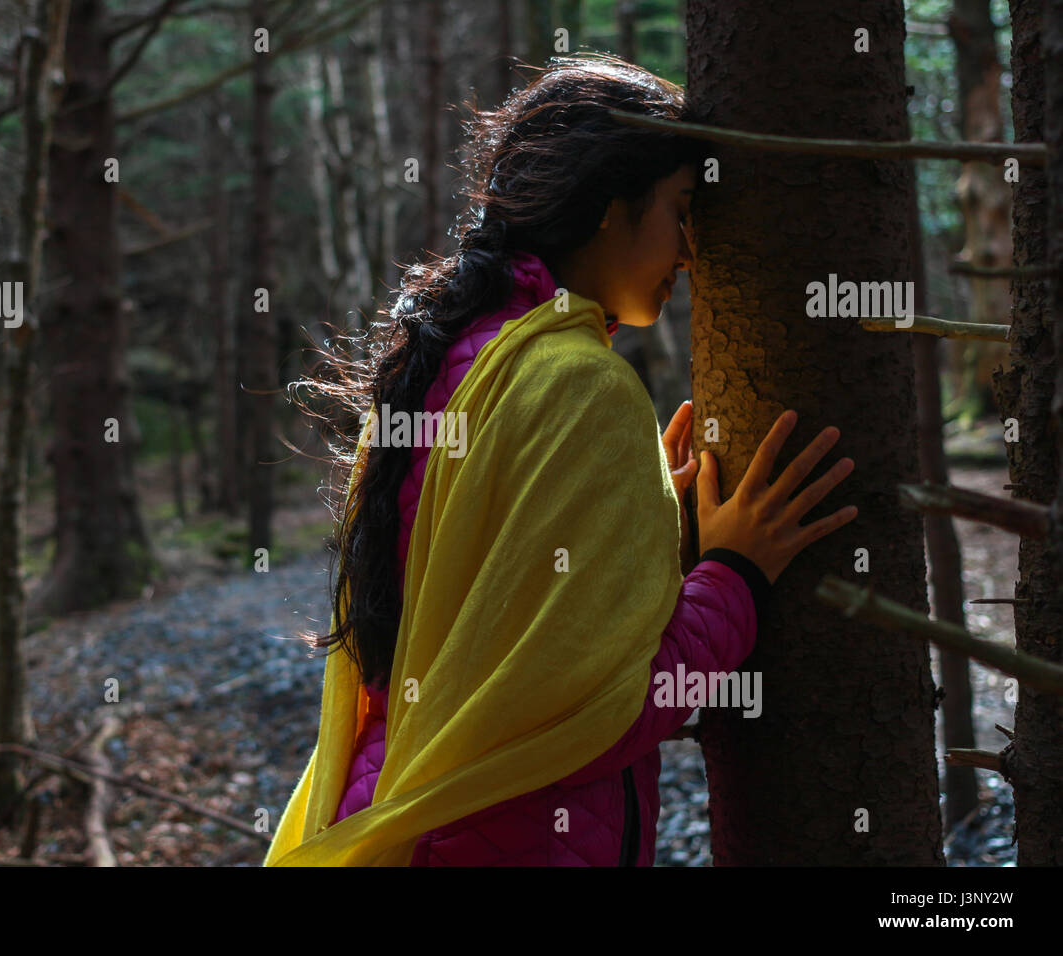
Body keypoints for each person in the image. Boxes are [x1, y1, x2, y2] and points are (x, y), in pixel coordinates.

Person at [267, 53, 858, 867]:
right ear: (613, 208)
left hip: (402, 807)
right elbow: (603, 707)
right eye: (682, 212)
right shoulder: (580, 384)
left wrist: (637, 530)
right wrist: (736, 571)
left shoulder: (448, 359)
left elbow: (492, 607)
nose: (691, 253)